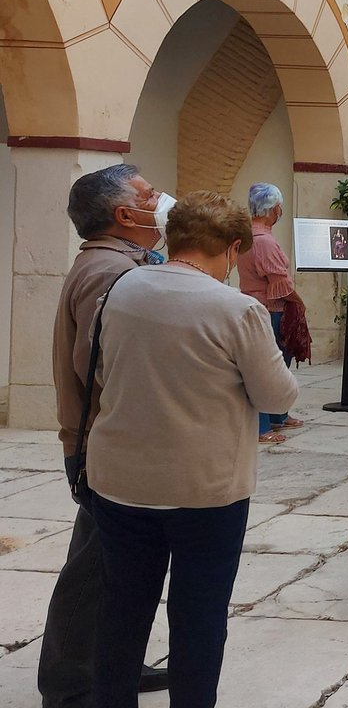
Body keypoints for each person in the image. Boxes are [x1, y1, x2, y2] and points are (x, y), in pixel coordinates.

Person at [87, 191, 299, 706]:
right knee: (199, 616)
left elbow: (97, 370)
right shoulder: (236, 308)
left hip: (120, 480)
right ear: (231, 248)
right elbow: (276, 395)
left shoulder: (120, 290)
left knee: (121, 610)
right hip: (204, 487)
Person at [45, 164, 172, 704]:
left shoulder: (122, 264)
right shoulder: (109, 273)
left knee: (120, 566)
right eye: (148, 195)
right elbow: (103, 367)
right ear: (124, 214)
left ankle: (110, 660)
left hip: (109, 441)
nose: (160, 199)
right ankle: (70, 683)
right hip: (106, 442)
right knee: (94, 568)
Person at [236, 183, 305, 444]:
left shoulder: (250, 235)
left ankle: (278, 414)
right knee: (269, 364)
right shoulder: (263, 240)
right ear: (274, 208)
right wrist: (298, 302)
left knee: (277, 360)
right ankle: (263, 424)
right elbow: (279, 281)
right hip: (270, 308)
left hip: (256, 303)